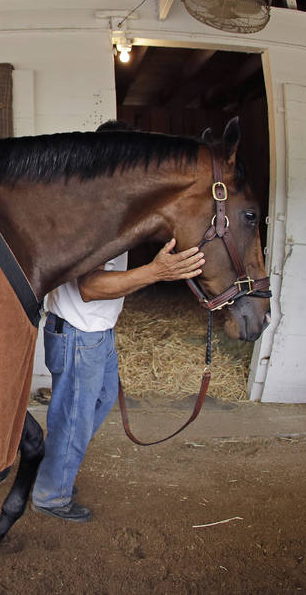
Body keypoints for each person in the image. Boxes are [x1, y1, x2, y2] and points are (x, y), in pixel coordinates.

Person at [30, 123, 206, 523]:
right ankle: (51, 495)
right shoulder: (93, 212)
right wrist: (157, 271)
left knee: (97, 402)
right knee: (74, 417)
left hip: (93, 333)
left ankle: (55, 469)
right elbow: (90, 287)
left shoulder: (110, 206)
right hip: (79, 333)